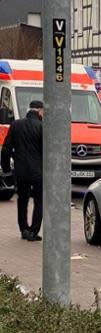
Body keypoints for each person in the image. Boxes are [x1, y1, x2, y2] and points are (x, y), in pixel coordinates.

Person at [1, 100, 44, 241]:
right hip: (38, 171)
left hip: (21, 171)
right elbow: (46, 152)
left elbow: (6, 149)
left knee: (22, 200)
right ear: (39, 111)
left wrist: (6, 169)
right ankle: (34, 231)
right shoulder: (42, 127)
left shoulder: (15, 125)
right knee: (39, 201)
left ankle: (24, 229)